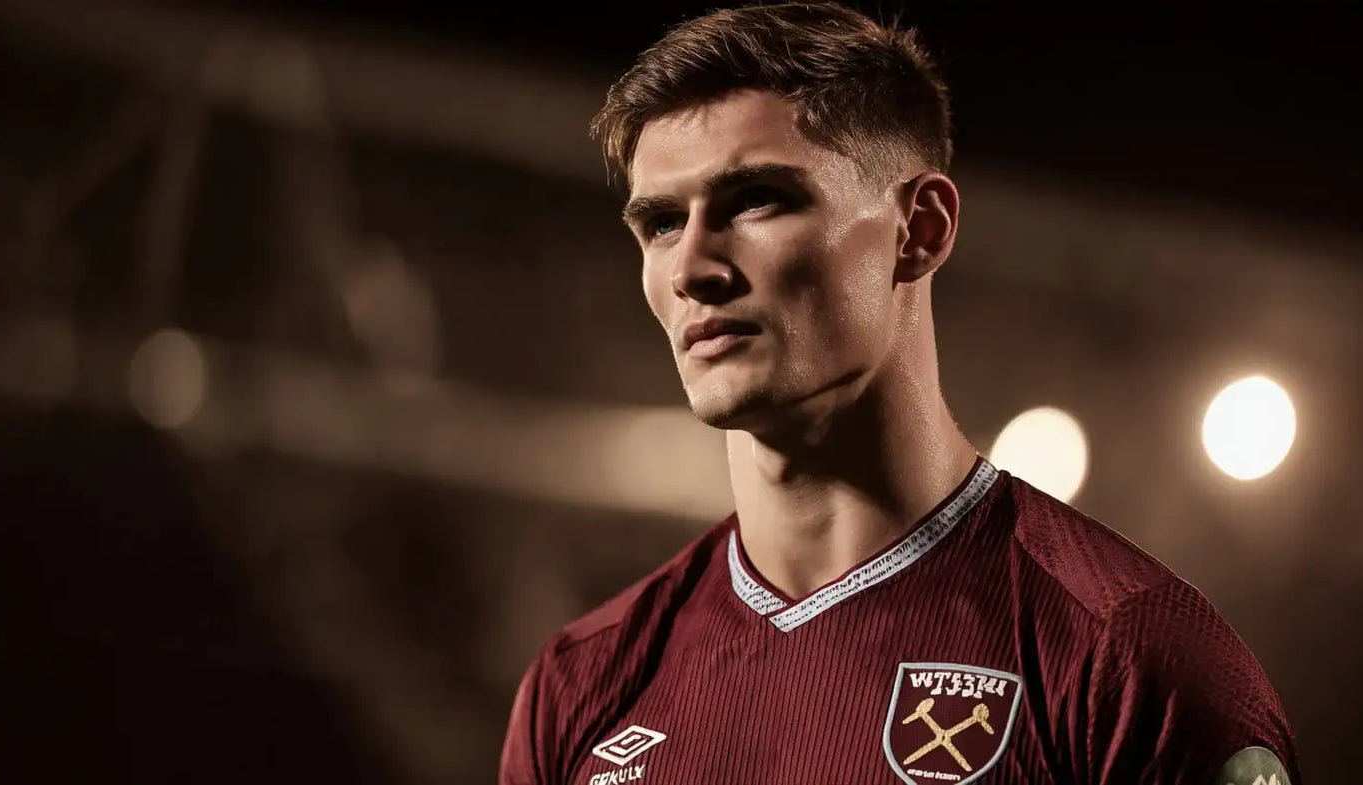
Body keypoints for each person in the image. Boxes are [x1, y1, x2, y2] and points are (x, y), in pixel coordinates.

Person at [499, 3, 1300, 783]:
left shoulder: (1129, 656)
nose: (692, 269)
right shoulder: (582, 686)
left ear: (919, 229)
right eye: (664, 223)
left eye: (757, 201)